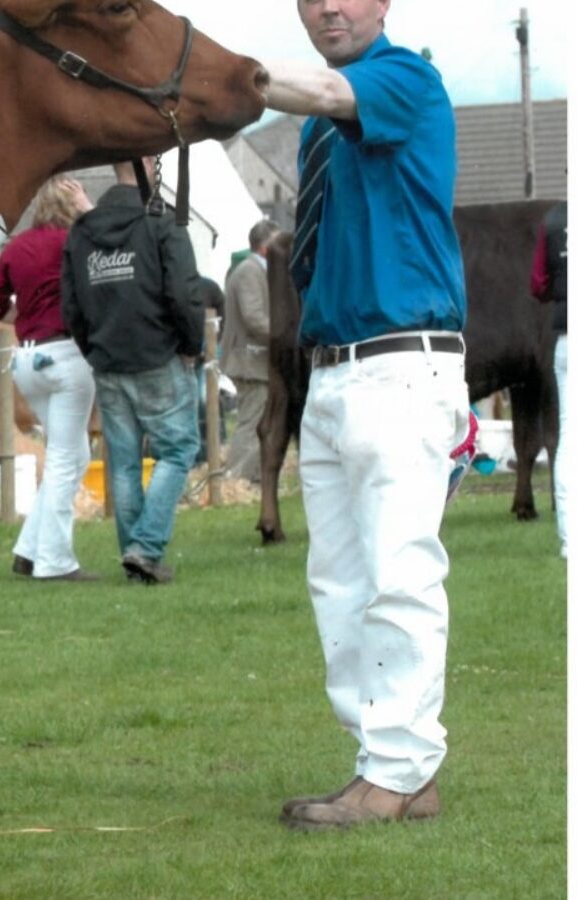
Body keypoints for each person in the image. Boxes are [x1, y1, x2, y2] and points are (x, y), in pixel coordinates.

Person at [261, 0, 471, 830]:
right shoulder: (321, 123)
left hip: (399, 363)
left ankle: (402, 766)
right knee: (340, 582)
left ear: (383, 3)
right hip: (334, 368)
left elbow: (325, 96)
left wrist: (210, 79)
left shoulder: (403, 78)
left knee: (398, 574)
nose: (328, 7)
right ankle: (387, 765)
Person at [61, 156, 202, 586]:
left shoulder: (82, 232)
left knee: (122, 463)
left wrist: (94, 350)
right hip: (157, 355)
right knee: (177, 451)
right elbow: (183, 291)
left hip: (108, 361)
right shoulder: (160, 222)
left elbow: (71, 306)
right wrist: (191, 345)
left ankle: (134, 556)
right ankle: (145, 548)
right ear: (148, 164)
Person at [0, 176, 99, 582]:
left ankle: (28, 549)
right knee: (66, 460)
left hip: (27, 358)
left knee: (72, 453)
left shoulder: (19, 247)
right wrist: (89, 211)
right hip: (67, 354)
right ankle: (55, 561)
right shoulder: (75, 242)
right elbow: (112, 246)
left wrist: (22, 318)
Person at [221, 221, 280, 484]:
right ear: (266, 246)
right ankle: (239, 481)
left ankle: (253, 478)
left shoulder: (257, 270)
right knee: (251, 422)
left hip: (256, 360)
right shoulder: (249, 271)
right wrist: (286, 336)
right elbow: (254, 318)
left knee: (261, 420)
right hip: (249, 360)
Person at [531, 201, 567, 557]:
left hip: (566, 335)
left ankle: (569, 541)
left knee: (569, 438)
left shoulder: (554, 220)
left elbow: (539, 284)